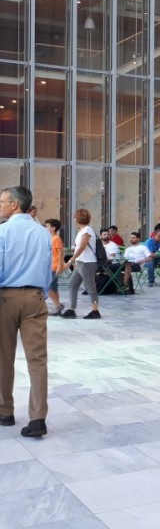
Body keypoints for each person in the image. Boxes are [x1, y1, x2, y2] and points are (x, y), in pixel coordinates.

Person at [0, 186, 51, 437]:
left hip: (6, 298)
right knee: (37, 359)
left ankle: (5, 411)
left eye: (2, 202)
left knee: (3, 357)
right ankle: (38, 418)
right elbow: (48, 268)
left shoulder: (3, 231)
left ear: (14, 205)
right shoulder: (43, 232)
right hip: (36, 296)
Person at [61, 208, 101, 319]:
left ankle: (95, 310)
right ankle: (71, 309)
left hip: (88, 262)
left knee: (90, 287)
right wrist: (76, 260)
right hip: (80, 262)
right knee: (72, 284)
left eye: (75, 217)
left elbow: (82, 247)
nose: (74, 219)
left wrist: (70, 260)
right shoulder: (81, 230)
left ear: (78, 218)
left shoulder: (87, 230)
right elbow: (78, 247)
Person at [44, 218, 66, 316]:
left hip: (54, 266)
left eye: (48, 226)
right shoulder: (49, 238)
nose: (46, 228)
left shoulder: (56, 239)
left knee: (49, 288)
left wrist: (59, 266)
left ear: (53, 228)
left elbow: (61, 253)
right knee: (53, 288)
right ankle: (58, 306)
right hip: (50, 266)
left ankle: (58, 306)